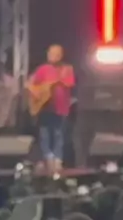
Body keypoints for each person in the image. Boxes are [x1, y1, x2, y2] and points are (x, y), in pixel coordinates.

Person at [27, 44, 75, 175]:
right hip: (44, 107)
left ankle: (58, 159)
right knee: (45, 134)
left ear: (60, 55)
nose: (51, 56)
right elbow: (30, 84)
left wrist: (56, 82)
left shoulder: (67, 69)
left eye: (54, 54)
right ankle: (48, 158)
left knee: (58, 134)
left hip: (60, 108)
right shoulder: (42, 69)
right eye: (50, 53)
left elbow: (69, 83)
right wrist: (38, 94)